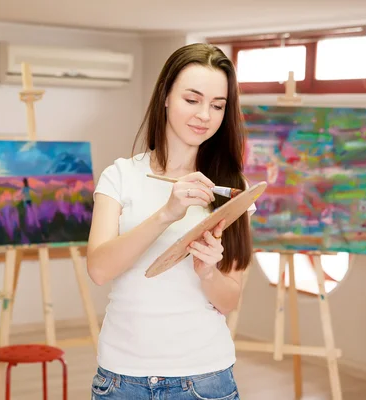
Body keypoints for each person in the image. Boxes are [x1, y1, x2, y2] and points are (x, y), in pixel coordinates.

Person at [86, 42, 256, 400]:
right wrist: (166, 214)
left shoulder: (231, 191)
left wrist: (208, 272)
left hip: (204, 380)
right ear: (165, 96)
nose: (204, 115)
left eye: (217, 105)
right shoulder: (119, 176)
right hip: (120, 378)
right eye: (192, 100)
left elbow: (230, 300)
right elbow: (99, 270)